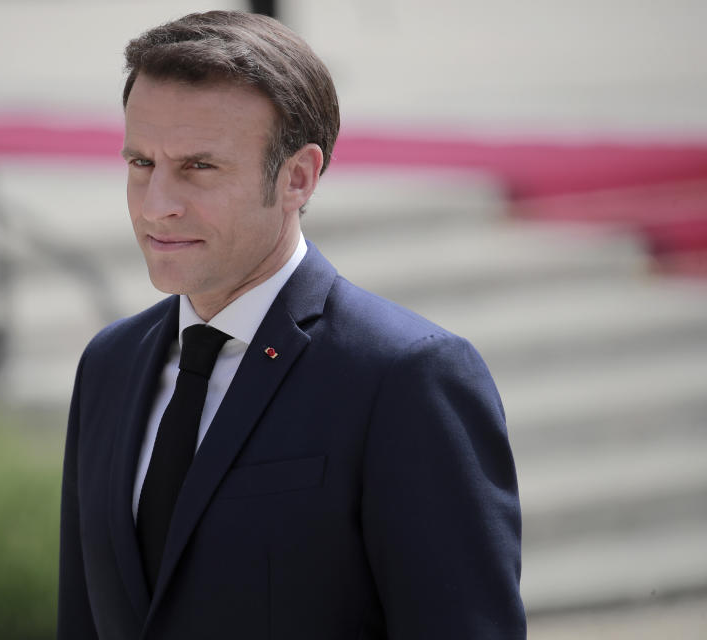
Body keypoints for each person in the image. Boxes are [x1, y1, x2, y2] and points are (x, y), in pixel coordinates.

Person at [58, 10, 525, 639]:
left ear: (297, 177)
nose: (156, 204)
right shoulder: (108, 365)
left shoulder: (405, 377)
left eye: (199, 167)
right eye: (141, 163)